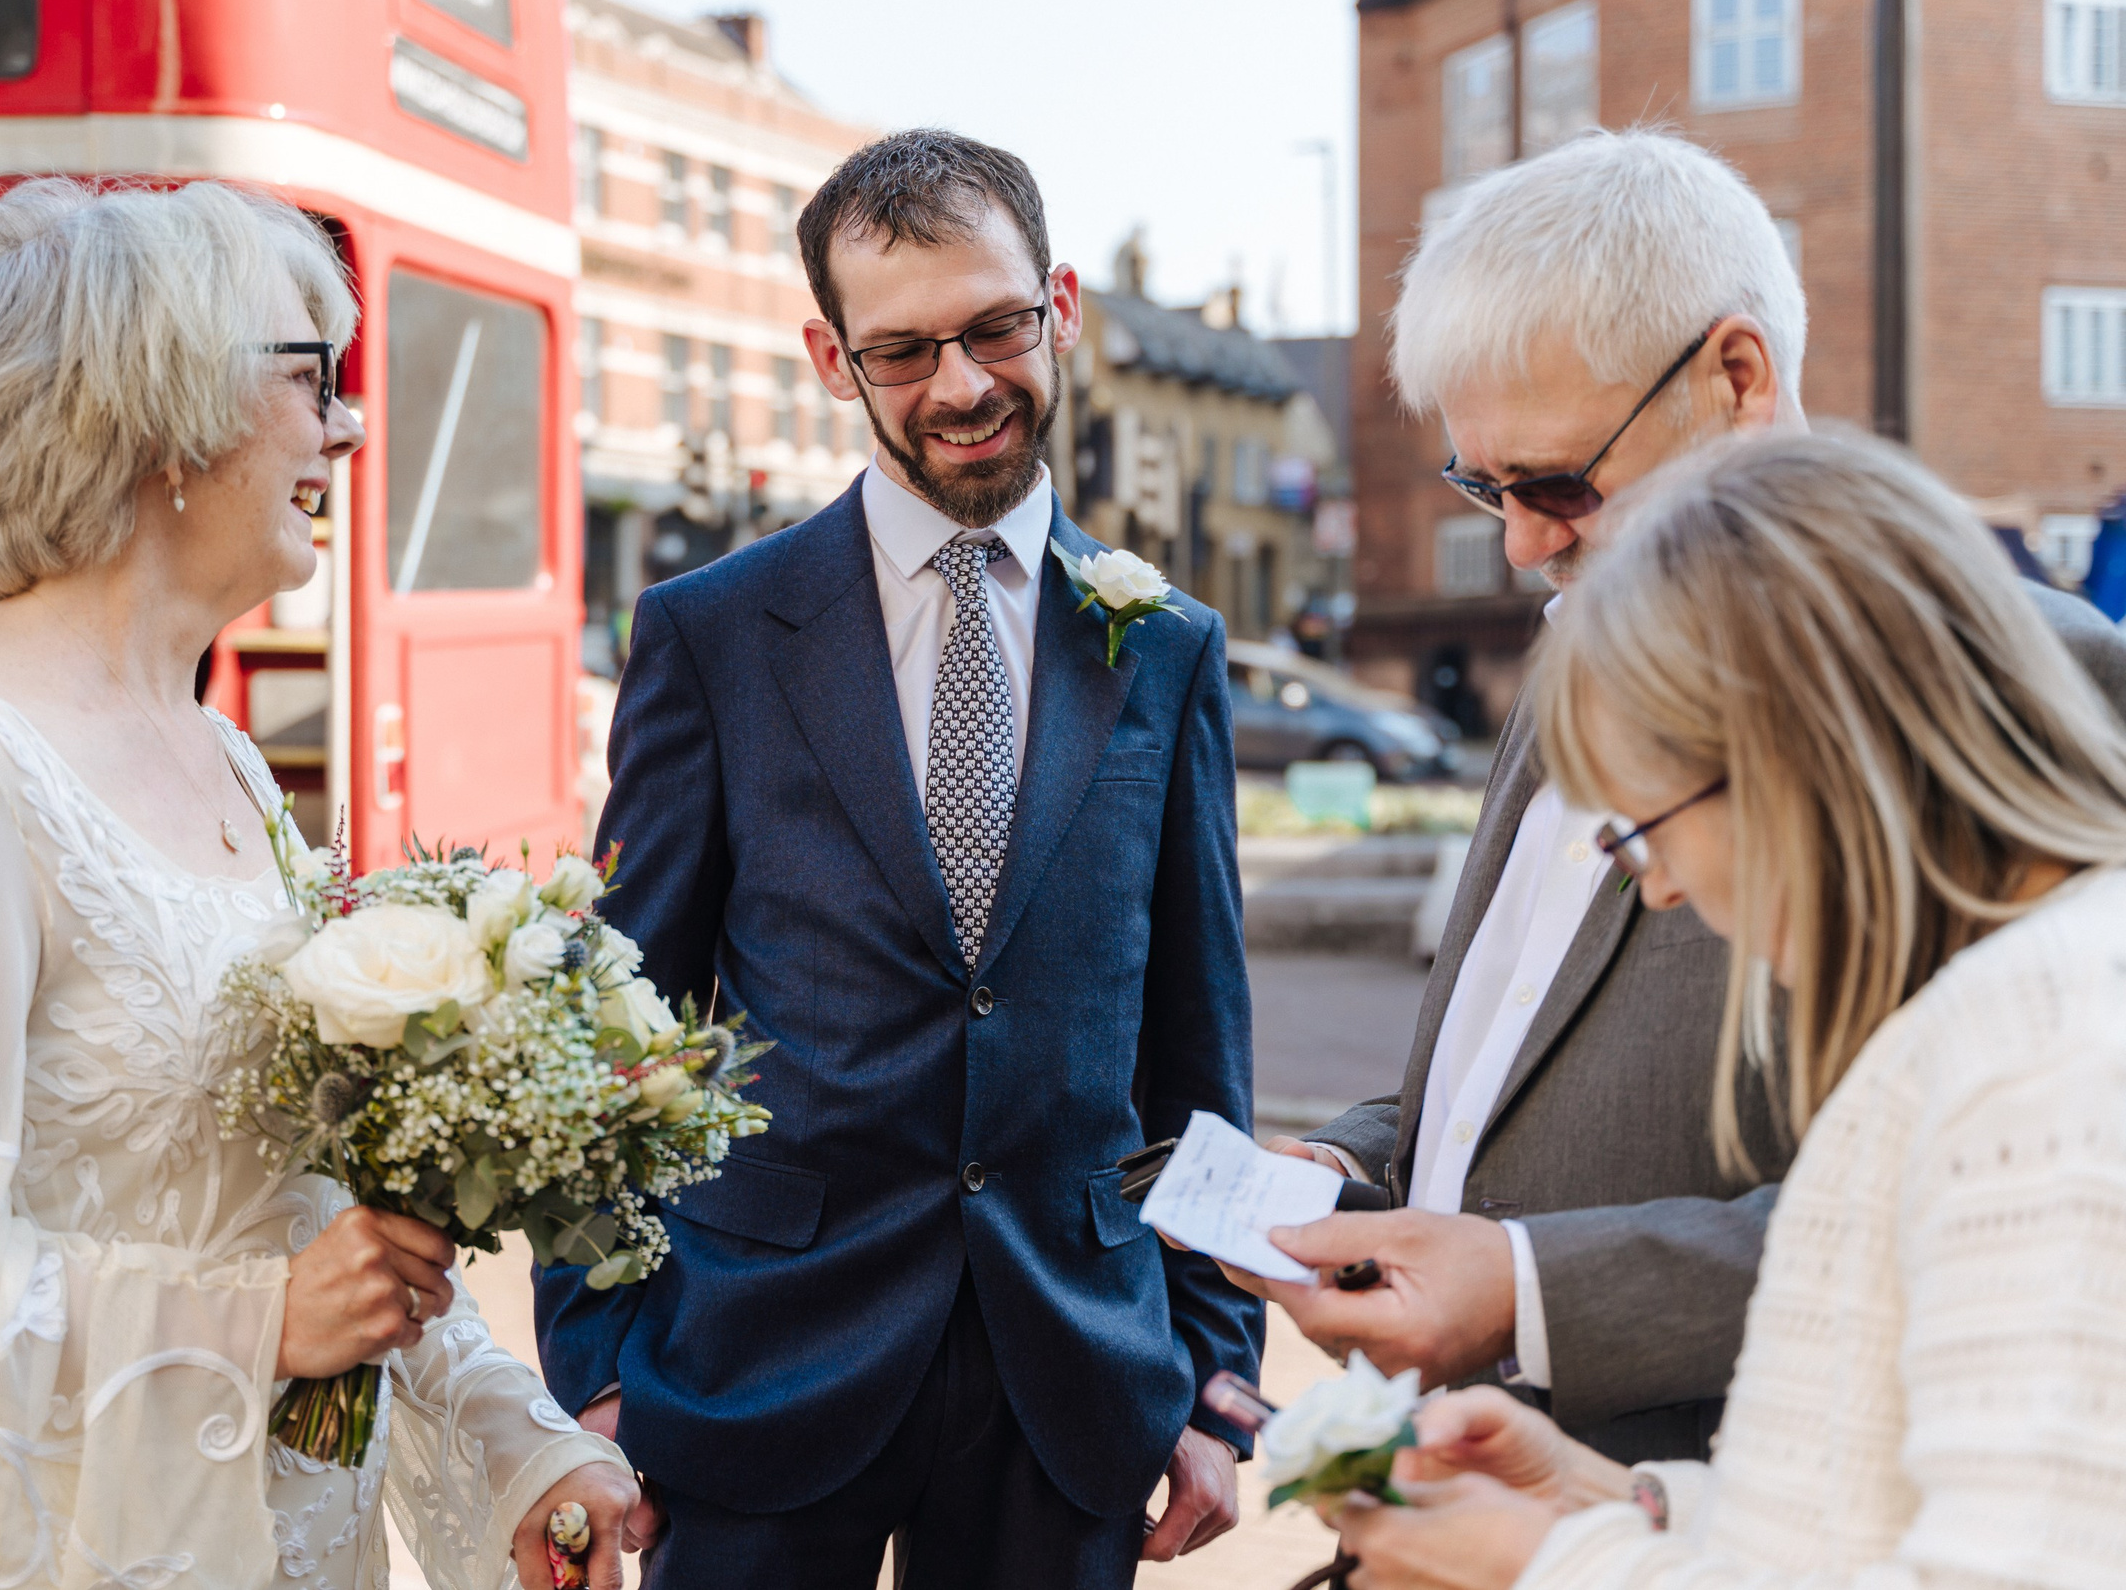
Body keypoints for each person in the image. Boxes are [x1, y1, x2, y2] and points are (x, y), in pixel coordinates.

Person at [0, 177, 637, 1590]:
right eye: (311, 375)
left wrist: (526, 1445)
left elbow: (311, 1211)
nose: (345, 422)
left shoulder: (228, 760)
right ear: (158, 408)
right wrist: (250, 1325)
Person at [1262, 129, 2126, 1464]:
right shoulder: (1577, 635)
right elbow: (1520, 1040)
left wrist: (1537, 1295)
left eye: (1556, 482)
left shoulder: (2024, 674)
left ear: (1734, 376)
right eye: (1482, 487)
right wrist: (1362, 1160)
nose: (1521, 543)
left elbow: (2011, 1201)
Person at [533, 130, 1262, 1588]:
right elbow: (613, 1032)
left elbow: (1201, 1054)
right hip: (754, 1365)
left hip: (1072, 1371)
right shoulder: (714, 634)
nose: (965, 387)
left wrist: (1218, 1377)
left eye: (996, 328)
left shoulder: (1168, 646)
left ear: (1059, 306)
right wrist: (599, 1371)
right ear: (831, 357)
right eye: (906, 349)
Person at [1287, 432, 2126, 1590]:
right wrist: (1616, 1496)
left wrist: (1552, 1561)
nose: (1664, 886)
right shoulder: (2010, 1009)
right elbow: (1871, 1501)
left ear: (1796, 754)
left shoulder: (2046, 1049)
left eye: (1643, 827)